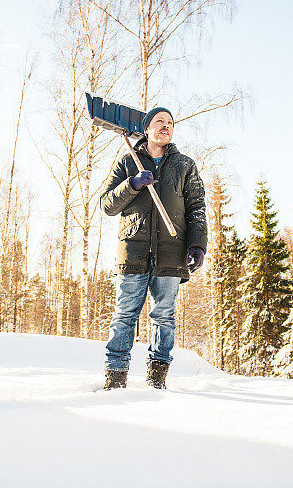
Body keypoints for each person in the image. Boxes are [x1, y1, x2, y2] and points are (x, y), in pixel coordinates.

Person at [99, 106, 207, 390]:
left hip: (172, 252)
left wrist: (197, 244)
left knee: (164, 316)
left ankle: (157, 378)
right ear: (146, 129)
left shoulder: (185, 165)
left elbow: (197, 208)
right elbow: (107, 205)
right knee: (124, 315)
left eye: (170, 122)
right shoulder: (127, 162)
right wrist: (132, 184)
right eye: (159, 122)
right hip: (132, 251)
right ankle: (115, 376)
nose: (166, 126)